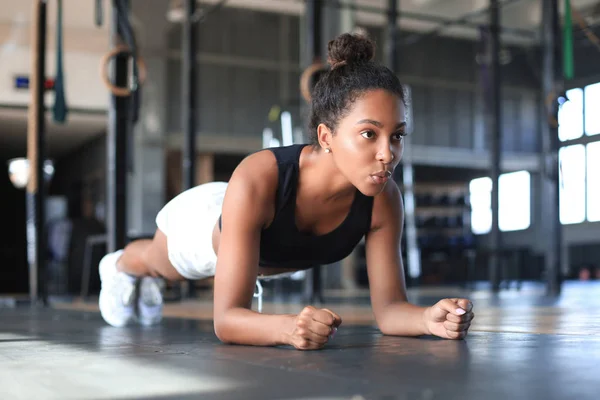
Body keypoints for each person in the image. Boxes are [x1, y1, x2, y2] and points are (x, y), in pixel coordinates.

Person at [98, 33, 475, 350]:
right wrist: (287, 328)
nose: (387, 153)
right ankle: (118, 267)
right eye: (368, 134)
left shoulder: (383, 199)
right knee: (158, 264)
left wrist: (428, 318)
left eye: (397, 136)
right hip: (205, 222)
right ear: (326, 135)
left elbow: (391, 308)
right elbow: (227, 320)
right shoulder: (260, 176)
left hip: (255, 237)